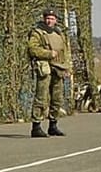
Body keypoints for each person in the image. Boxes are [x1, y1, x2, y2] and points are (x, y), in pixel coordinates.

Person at [27, 7, 72, 137]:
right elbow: (32, 49)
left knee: (57, 98)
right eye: (47, 18)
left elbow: (65, 51)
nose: (49, 21)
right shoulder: (38, 32)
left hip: (58, 68)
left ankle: (53, 125)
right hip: (45, 68)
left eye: (52, 19)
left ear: (56, 20)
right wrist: (48, 54)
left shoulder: (59, 33)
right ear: (44, 19)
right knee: (41, 97)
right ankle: (36, 126)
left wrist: (67, 67)